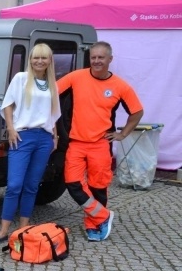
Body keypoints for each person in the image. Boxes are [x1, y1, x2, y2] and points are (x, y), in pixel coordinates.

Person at [57, 41, 143, 242]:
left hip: (100, 144)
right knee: (73, 183)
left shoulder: (120, 86)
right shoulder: (76, 77)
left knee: (98, 187)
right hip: (76, 143)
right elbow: (51, 92)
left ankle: (94, 224)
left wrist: (123, 134)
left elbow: (137, 112)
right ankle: (103, 215)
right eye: (93, 57)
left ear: (110, 60)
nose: (96, 61)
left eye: (101, 57)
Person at [0, 44, 61, 244]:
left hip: (44, 138)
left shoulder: (52, 83)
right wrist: (11, 128)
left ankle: (23, 230)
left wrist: (54, 137)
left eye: (44, 58)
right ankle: (3, 231)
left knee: (31, 186)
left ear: (49, 61)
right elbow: (8, 104)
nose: (39, 61)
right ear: (30, 59)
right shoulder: (21, 79)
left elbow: (53, 114)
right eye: (36, 57)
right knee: (14, 185)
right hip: (23, 136)